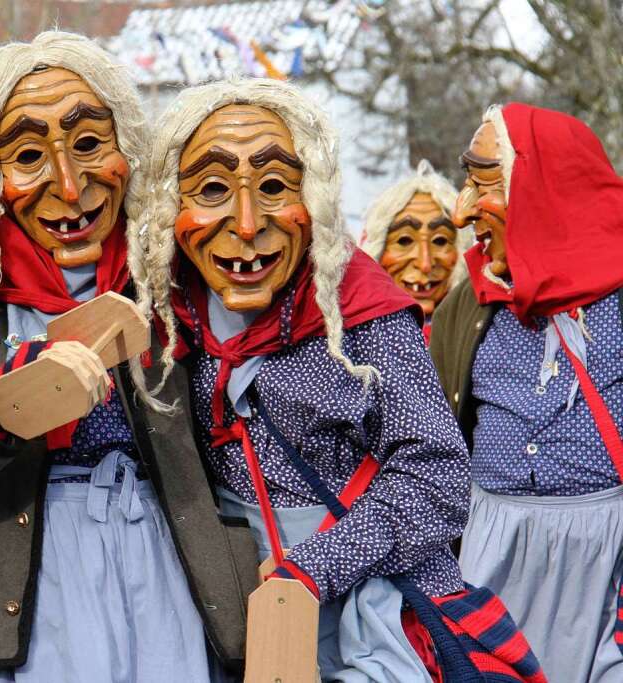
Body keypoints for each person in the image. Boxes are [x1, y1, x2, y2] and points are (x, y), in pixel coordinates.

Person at [0, 31, 258, 682]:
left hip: (166, 582)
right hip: (30, 603)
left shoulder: (176, 286)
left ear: (127, 150)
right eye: (29, 155)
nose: (68, 185)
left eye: (90, 143)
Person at [139, 78, 544, 682]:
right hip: (229, 611)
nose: (247, 223)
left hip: (364, 606)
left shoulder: (361, 309)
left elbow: (438, 478)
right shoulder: (167, 303)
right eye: (215, 189)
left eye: (275, 187)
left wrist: (315, 567)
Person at [430, 102, 623, 683]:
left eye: (483, 183)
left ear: (544, 189)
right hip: (488, 571)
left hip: (603, 571)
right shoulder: (466, 307)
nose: (462, 212)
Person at [360, 160, 472, 342]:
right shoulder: (353, 339)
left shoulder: (479, 332)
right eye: (404, 240)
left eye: (440, 240)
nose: (425, 264)